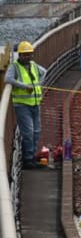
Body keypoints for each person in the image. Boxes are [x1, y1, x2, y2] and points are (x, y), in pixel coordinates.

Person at [6, 41, 46, 169]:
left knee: (36, 132)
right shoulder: (14, 66)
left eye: (30, 54)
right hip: (22, 105)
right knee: (28, 132)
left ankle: (33, 156)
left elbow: (44, 72)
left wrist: (39, 83)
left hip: (35, 103)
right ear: (20, 55)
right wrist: (24, 86)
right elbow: (8, 79)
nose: (28, 57)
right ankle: (28, 159)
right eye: (25, 55)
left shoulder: (33, 65)